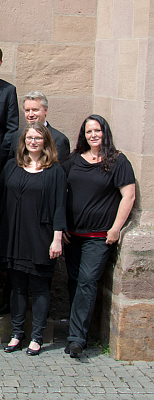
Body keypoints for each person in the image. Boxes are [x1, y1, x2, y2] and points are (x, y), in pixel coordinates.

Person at [62, 115, 135, 357]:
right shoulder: (74, 160)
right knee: (74, 282)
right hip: (72, 235)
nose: (93, 135)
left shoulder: (118, 161)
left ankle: (76, 339)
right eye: (88, 131)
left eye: (97, 130)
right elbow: (59, 190)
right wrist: (61, 227)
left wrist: (116, 228)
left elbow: (129, 196)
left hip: (99, 237)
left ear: (105, 133)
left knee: (87, 281)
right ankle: (78, 330)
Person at [0, 122, 66, 356]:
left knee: (39, 288)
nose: (33, 142)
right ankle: (17, 334)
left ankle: (37, 336)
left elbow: (59, 206)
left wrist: (57, 238)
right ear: (23, 141)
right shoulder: (11, 167)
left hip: (41, 236)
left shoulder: (55, 170)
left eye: (38, 138)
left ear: (45, 141)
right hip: (14, 234)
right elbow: (2, 201)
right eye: (29, 138)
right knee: (16, 287)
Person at [1, 91, 71, 164]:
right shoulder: (17, 136)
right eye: (27, 110)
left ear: (46, 110)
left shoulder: (59, 139)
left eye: (35, 110)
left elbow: (61, 171)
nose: (30, 114)